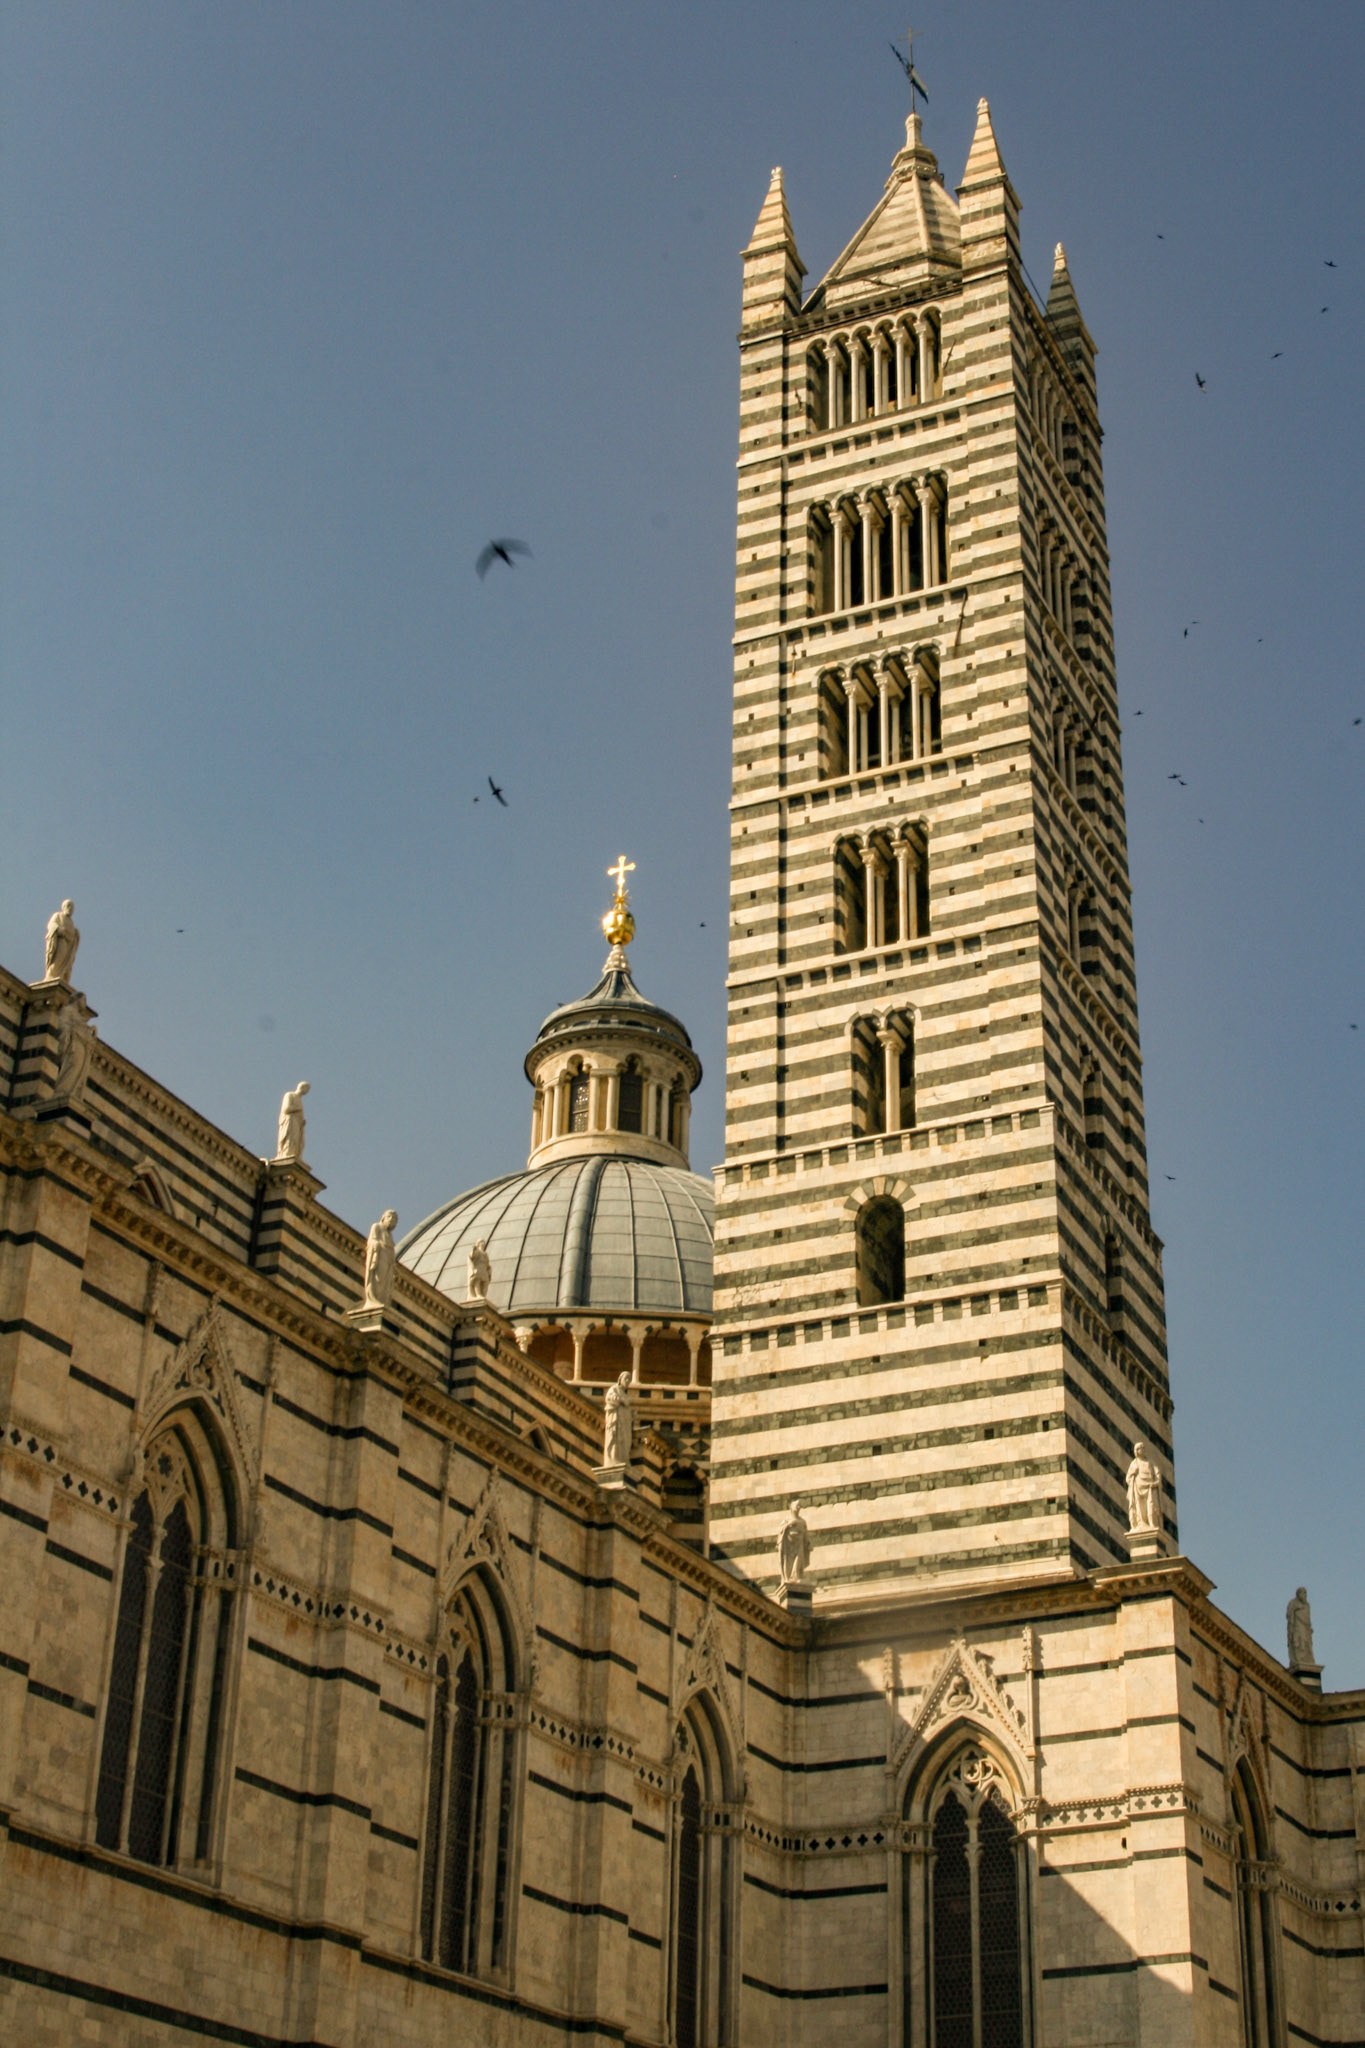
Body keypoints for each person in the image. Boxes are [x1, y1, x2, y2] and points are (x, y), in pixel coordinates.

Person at [362, 1210, 398, 1311]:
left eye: (394, 1219)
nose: (391, 1220)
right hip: (379, 1255)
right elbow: (371, 1240)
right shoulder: (377, 1227)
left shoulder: (389, 1235)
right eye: (389, 1217)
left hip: (387, 1259)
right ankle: (373, 1299)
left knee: (385, 1283)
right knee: (378, 1278)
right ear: (383, 1217)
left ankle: (380, 1300)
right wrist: (376, 1244)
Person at [1125, 1440, 1162, 1533]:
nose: (1142, 1450)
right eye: (1139, 1448)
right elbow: (1128, 1478)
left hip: (1150, 1487)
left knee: (1151, 1505)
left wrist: (1156, 1482)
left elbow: (1157, 1473)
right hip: (1138, 1488)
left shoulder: (1150, 1462)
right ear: (1136, 1451)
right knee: (1139, 1507)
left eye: (1142, 1448)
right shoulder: (1134, 1463)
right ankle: (1141, 1523)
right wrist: (1133, 1473)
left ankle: (1152, 1523)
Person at [43, 900, 79, 983]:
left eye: (72, 907)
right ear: (63, 907)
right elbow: (51, 925)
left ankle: (62, 977)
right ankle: (51, 976)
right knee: (58, 959)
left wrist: (75, 935)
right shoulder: (58, 915)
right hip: (61, 941)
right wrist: (58, 929)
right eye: (68, 906)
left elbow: (72, 935)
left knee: (66, 963)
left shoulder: (71, 922)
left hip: (68, 946)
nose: (70, 909)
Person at [777, 1499, 811, 1586]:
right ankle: (788, 1578)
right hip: (789, 1545)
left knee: (799, 1560)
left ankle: (796, 1577)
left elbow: (805, 1533)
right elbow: (781, 1531)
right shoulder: (786, 1521)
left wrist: (808, 1543)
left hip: (799, 1544)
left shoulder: (802, 1521)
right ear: (791, 1507)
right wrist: (789, 1525)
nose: (799, 1507)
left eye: (800, 1505)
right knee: (788, 1561)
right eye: (797, 1505)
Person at [603, 1371, 633, 1466]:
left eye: (629, 1379)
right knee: (615, 1439)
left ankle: (623, 1458)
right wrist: (620, 1399)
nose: (627, 1381)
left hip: (624, 1423)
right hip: (616, 1420)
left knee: (624, 1440)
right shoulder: (614, 1389)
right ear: (620, 1379)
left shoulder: (625, 1395)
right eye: (626, 1378)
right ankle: (614, 1458)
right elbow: (609, 1398)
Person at [276, 1081, 310, 1161]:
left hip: (297, 1124)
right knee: (289, 1140)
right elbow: (286, 1109)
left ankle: (293, 1156)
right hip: (289, 1121)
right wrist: (297, 1109)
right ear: (302, 1087)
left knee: (295, 1141)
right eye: (307, 1089)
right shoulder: (289, 1095)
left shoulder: (299, 1099)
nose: (306, 1091)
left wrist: (302, 1122)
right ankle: (286, 1154)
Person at [1286, 1587, 1315, 1669]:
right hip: (1297, 1627)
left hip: (1305, 1629)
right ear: (1298, 1594)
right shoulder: (1293, 1603)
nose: (1305, 1595)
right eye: (1303, 1593)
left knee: (1305, 1643)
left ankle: (1306, 1659)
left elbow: (1307, 1618)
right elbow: (1289, 1615)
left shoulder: (1307, 1605)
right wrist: (1295, 1609)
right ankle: (1298, 1659)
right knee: (1298, 1642)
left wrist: (1309, 1627)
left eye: (1306, 1593)